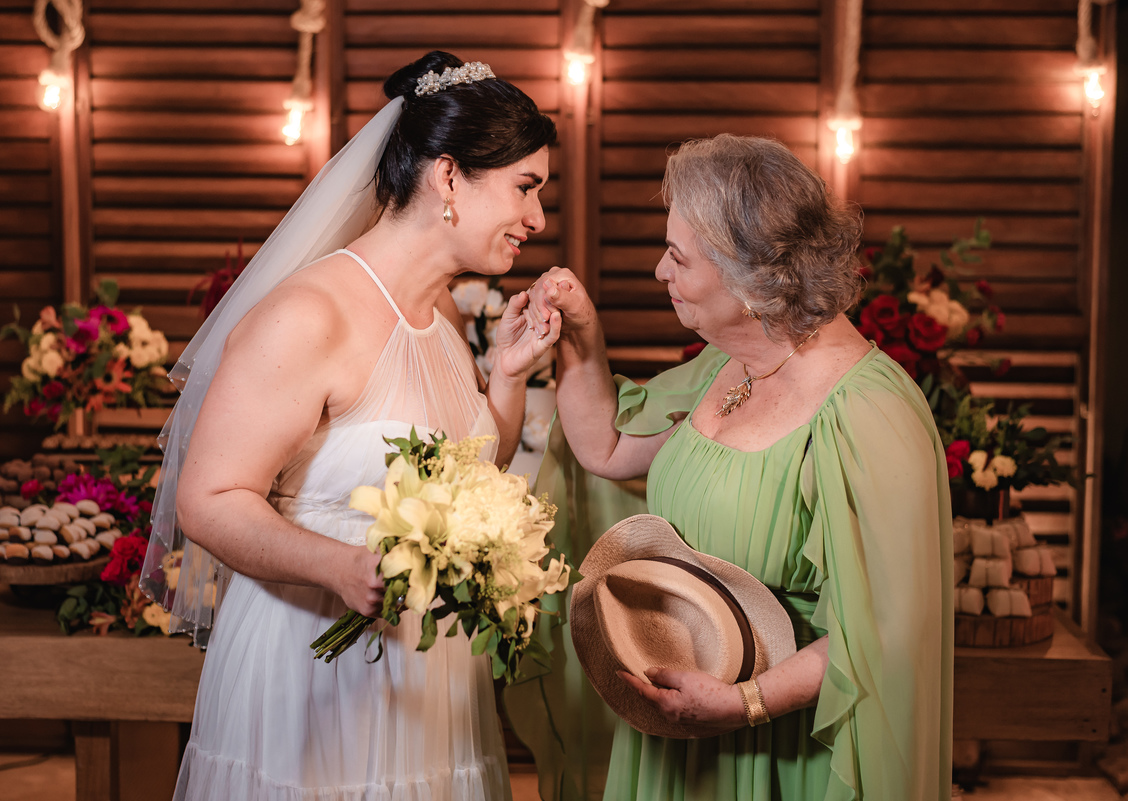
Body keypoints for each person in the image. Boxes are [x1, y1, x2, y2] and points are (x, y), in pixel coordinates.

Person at [141, 51, 560, 800]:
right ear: (449, 177)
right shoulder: (312, 314)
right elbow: (208, 497)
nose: (537, 218)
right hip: (311, 667)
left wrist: (507, 374)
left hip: (428, 683)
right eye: (526, 188)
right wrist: (337, 566)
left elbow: (459, 484)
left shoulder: (438, 318)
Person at [510, 134, 953, 800]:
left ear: (752, 281)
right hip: (678, 720)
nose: (661, 272)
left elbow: (887, 636)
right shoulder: (731, 363)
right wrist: (581, 332)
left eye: (678, 258)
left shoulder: (870, 416)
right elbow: (603, 444)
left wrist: (743, 702)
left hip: (781, 745)